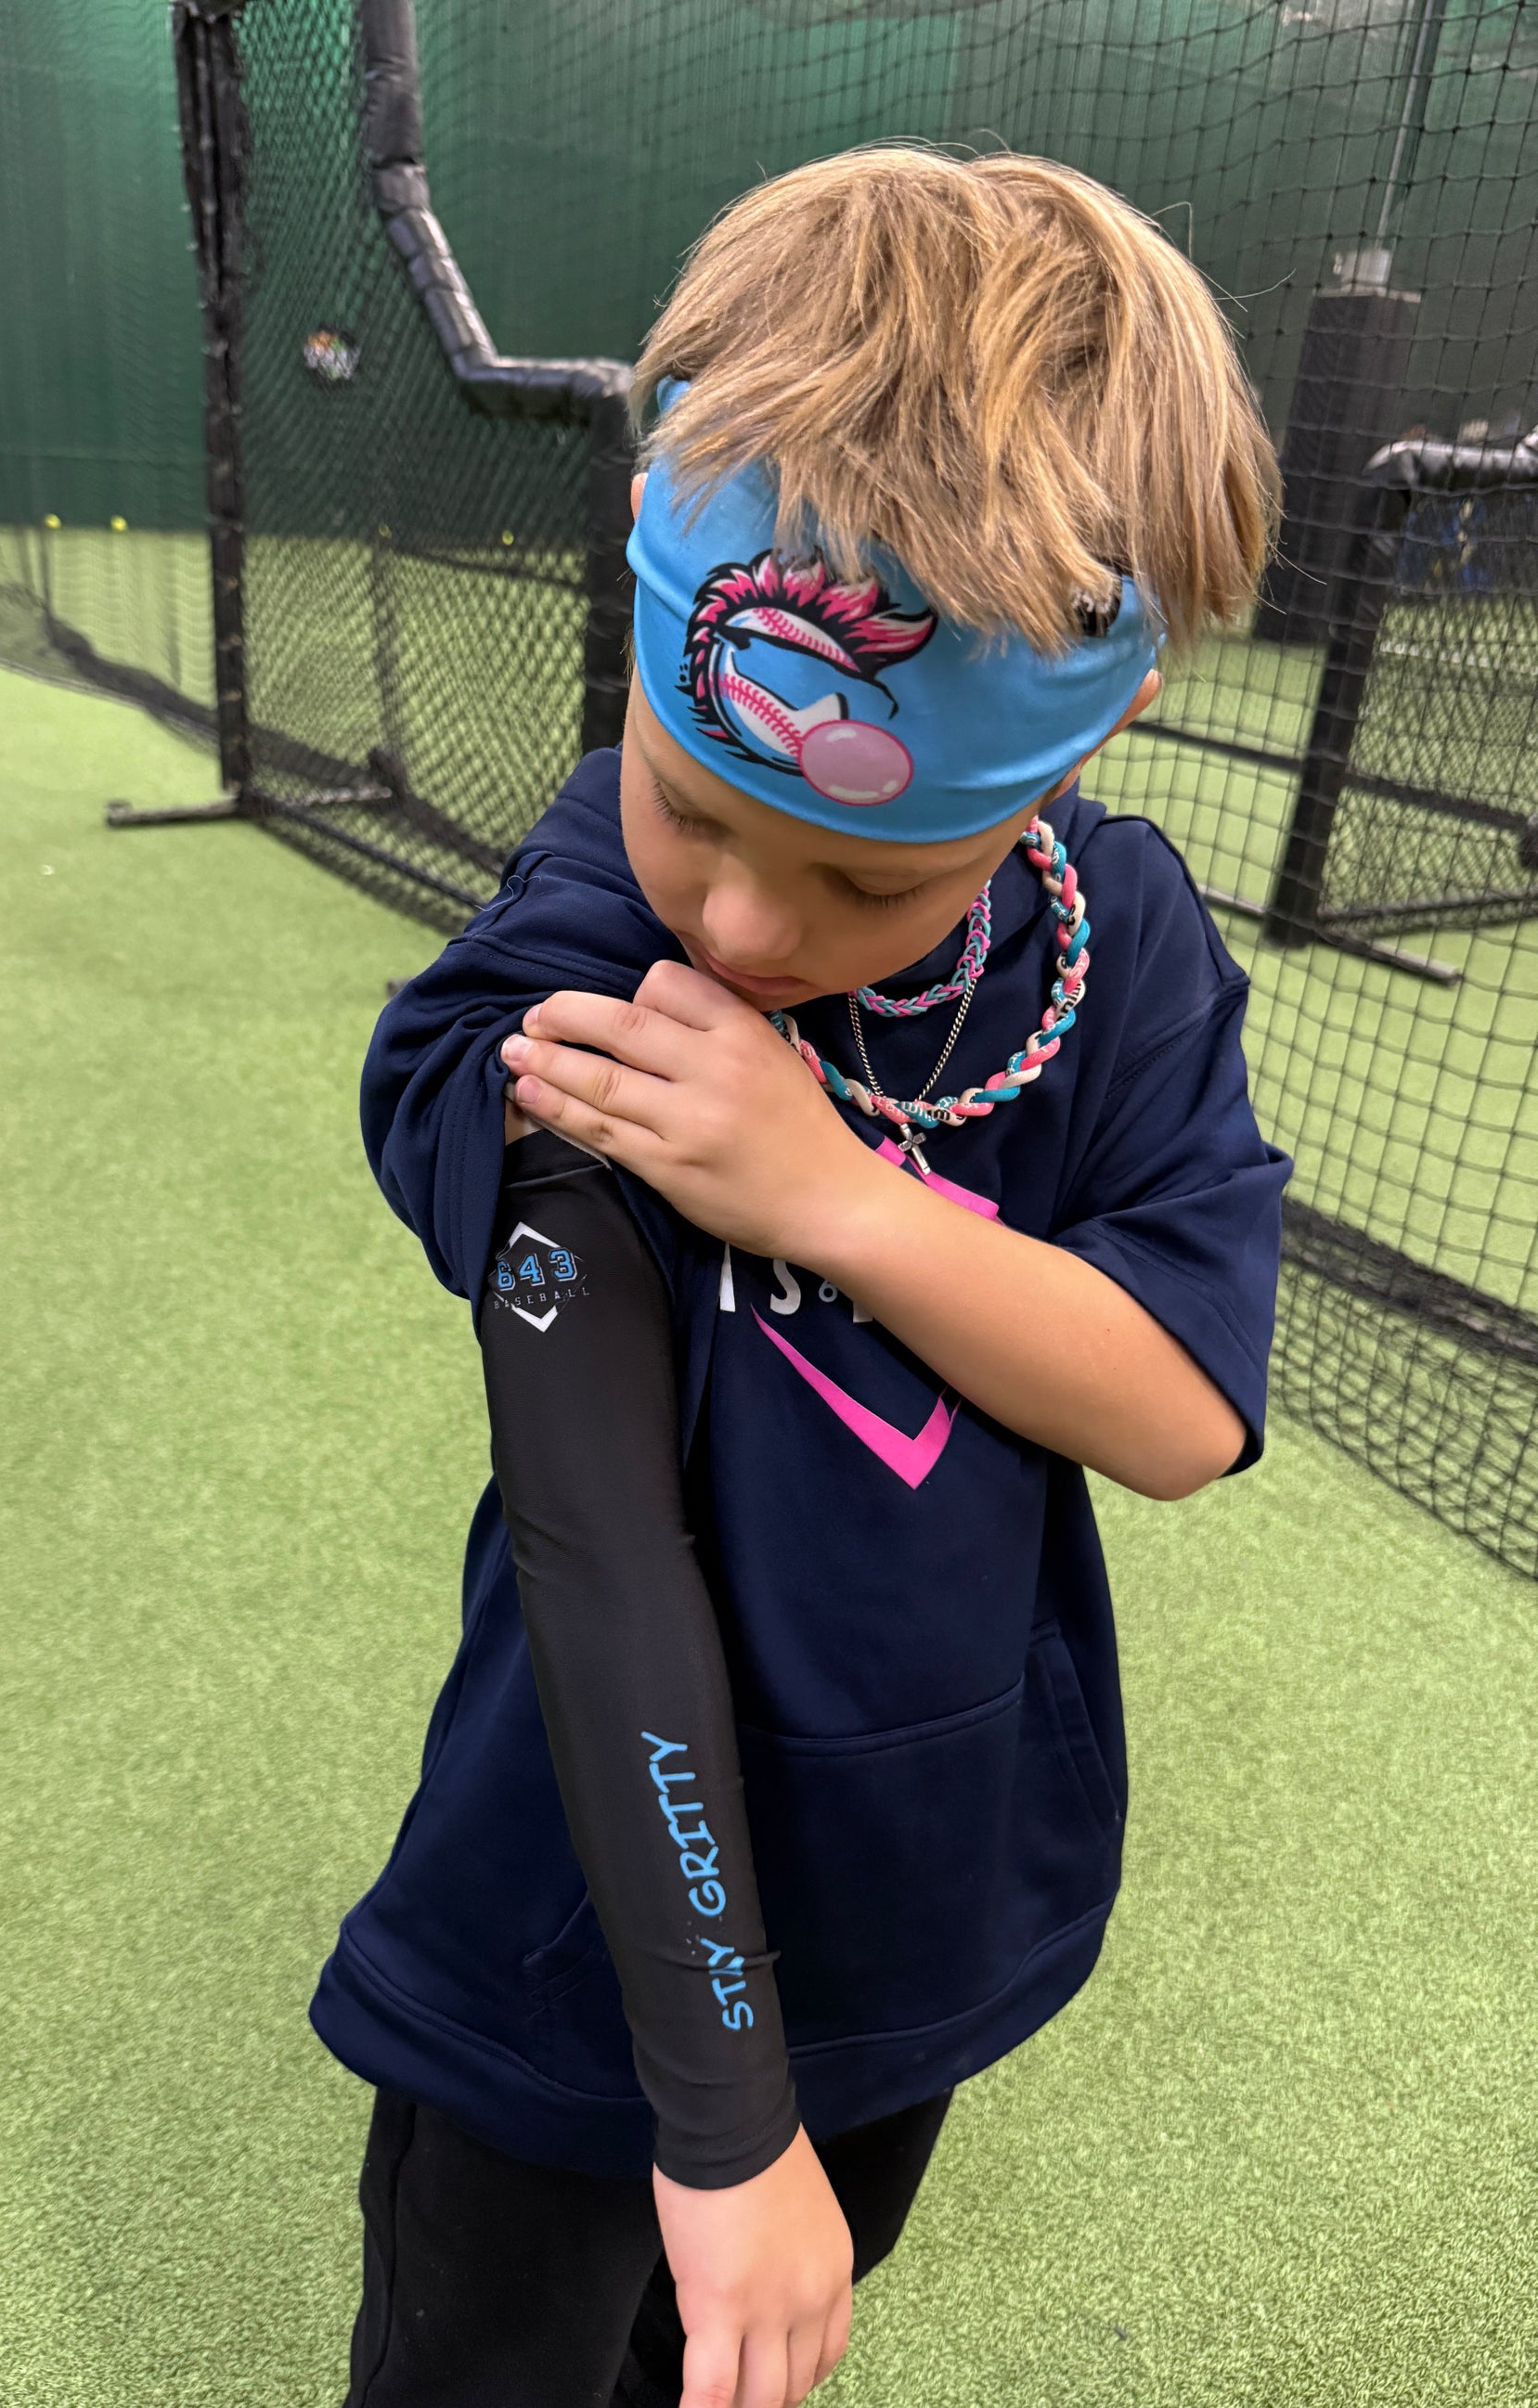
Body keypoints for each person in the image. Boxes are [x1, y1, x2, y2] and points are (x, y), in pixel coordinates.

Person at [313, 148, 1289, 2408]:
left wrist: (833, 1196)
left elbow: (1176, 1413)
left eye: (865, 880)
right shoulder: (573, 974)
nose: (740, 931)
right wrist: (723, 2118)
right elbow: (594, 1533)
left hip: (915, 1918)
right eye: (694, 809)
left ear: (1081, 742)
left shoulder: (1125, 941)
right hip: (577, 1952)